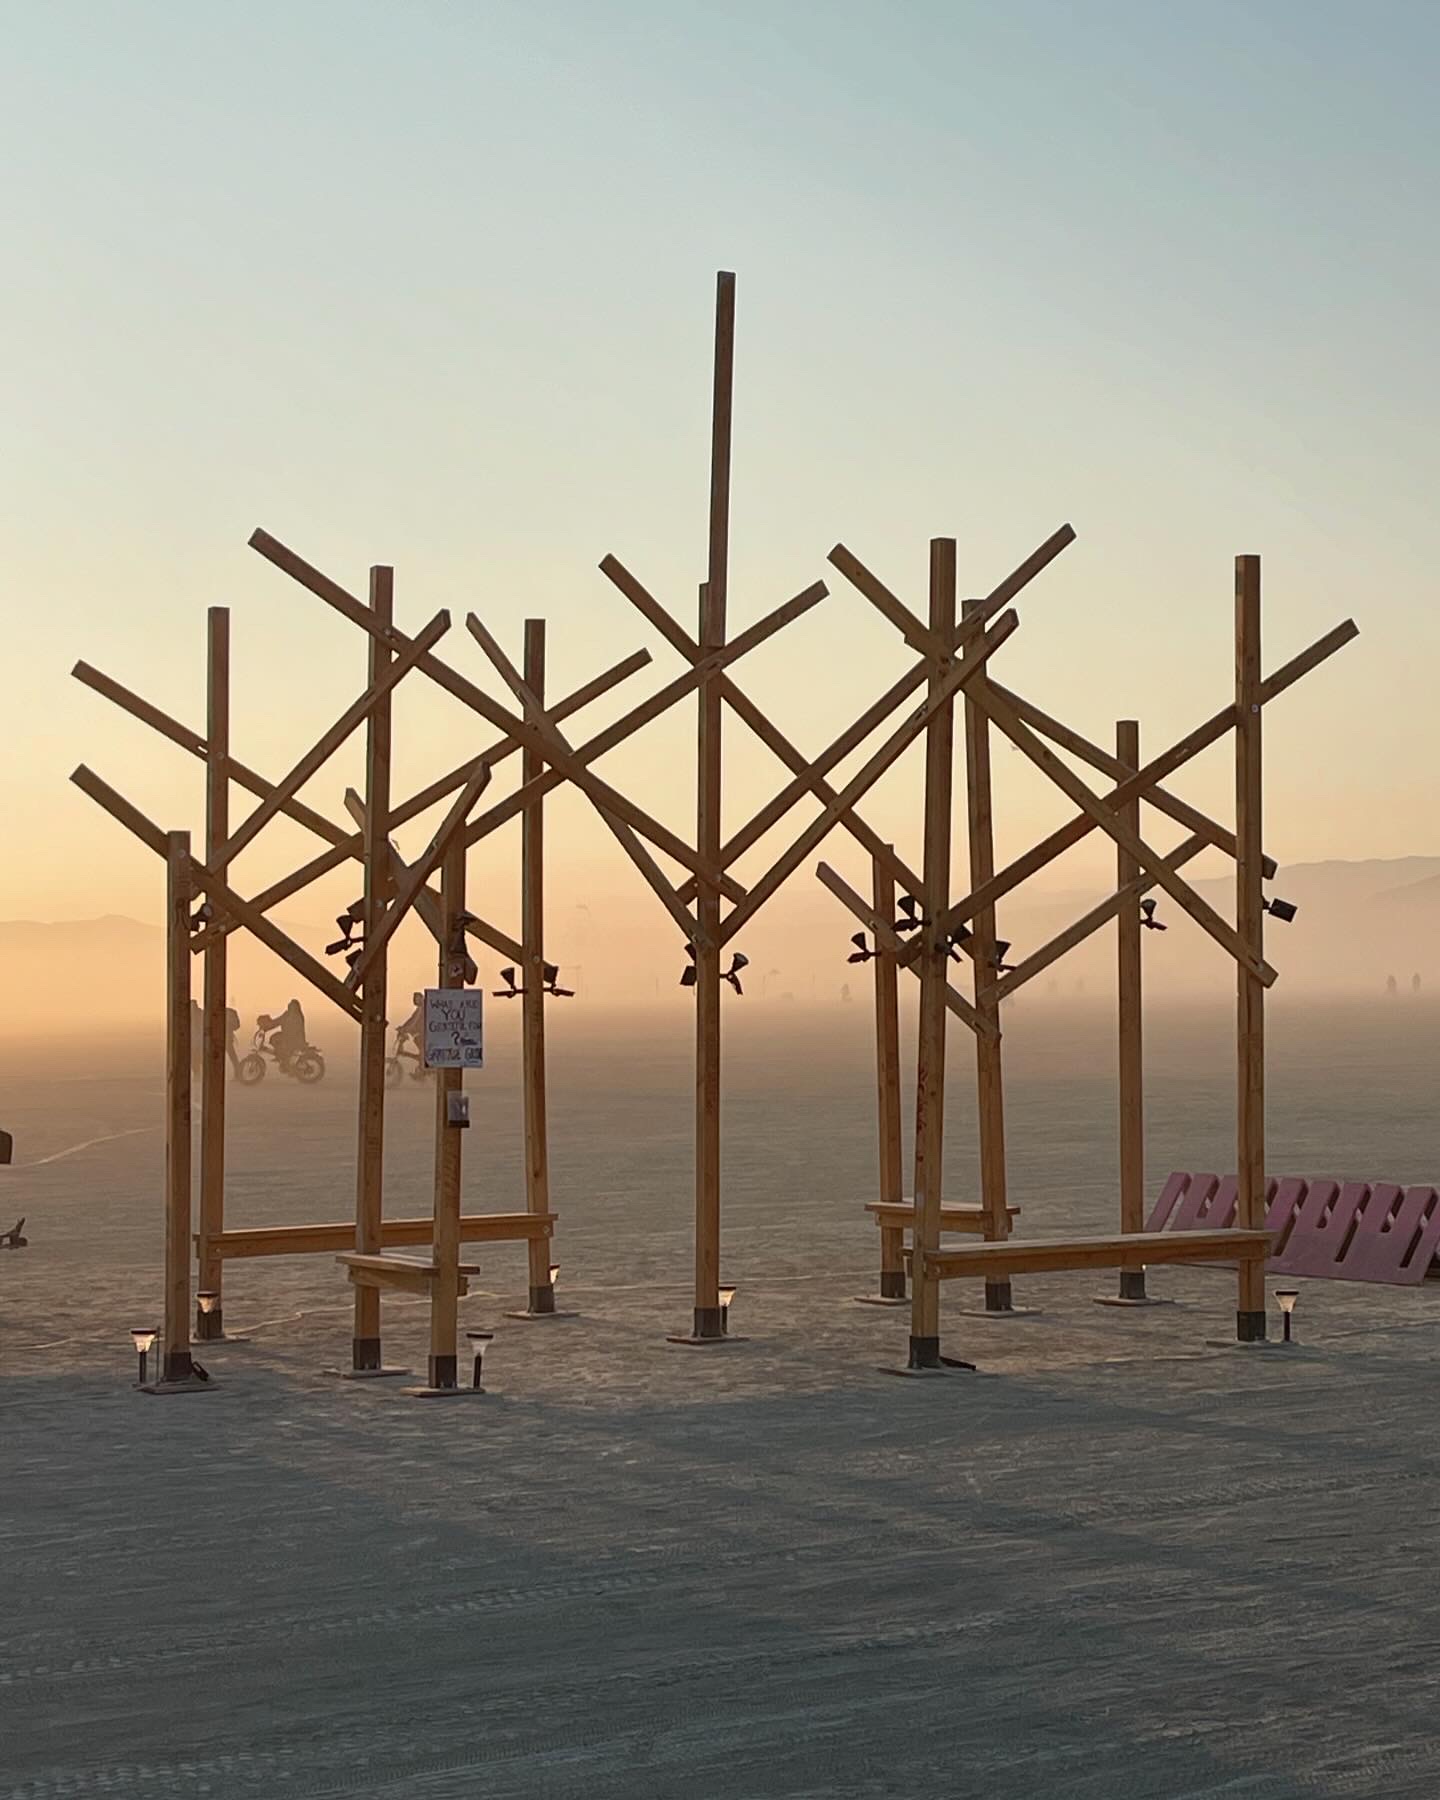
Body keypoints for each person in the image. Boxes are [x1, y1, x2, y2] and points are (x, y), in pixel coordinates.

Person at [261, 999, 308, 1071]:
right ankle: (282, 1057)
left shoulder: (292, 1016)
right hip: (292, 1037)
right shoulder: (294, 1015)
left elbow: (277, 1022)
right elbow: (277, 1022)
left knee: (276, 1039)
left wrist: (267, 1027)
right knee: (275, 1037)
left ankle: (283, 1059)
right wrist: (267, 1027)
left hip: (294, 1039)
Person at [396, 991, 425, 1056]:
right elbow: (411, 1019)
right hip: (418, 1034)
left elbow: (414, 1021)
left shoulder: (421, 1009)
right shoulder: (419, 1009)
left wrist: (405, 1029)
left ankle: (421, 1063)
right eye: (415, 998)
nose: (416, 1000)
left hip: (421, 1035)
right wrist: (403, 1027)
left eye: (418, 998)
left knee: (422, 1056)